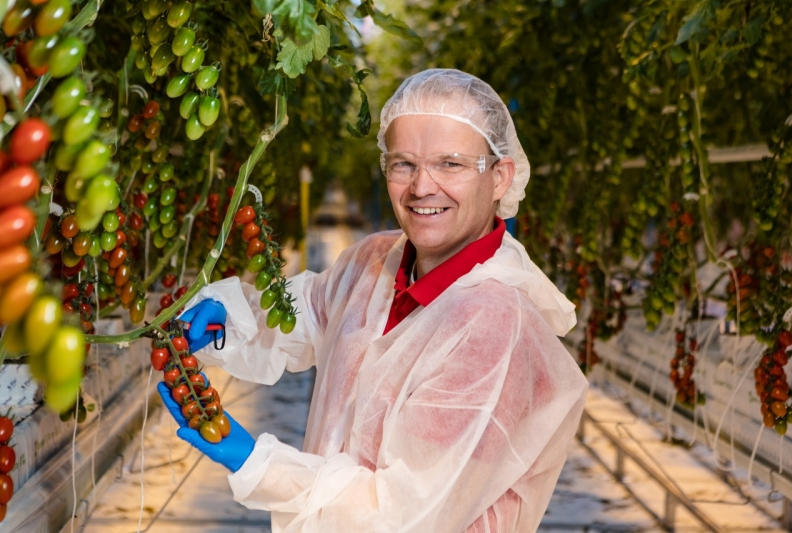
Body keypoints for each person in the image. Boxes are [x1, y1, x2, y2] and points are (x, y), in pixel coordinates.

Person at [158, 68, 588, 532]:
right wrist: (232, 315)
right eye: (404, 163)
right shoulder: (376, 260)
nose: (422, 186)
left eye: (451, 164)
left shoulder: (494, 329)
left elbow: (404, 515)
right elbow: (307, 313)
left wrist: (260, 464)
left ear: (500, 177)